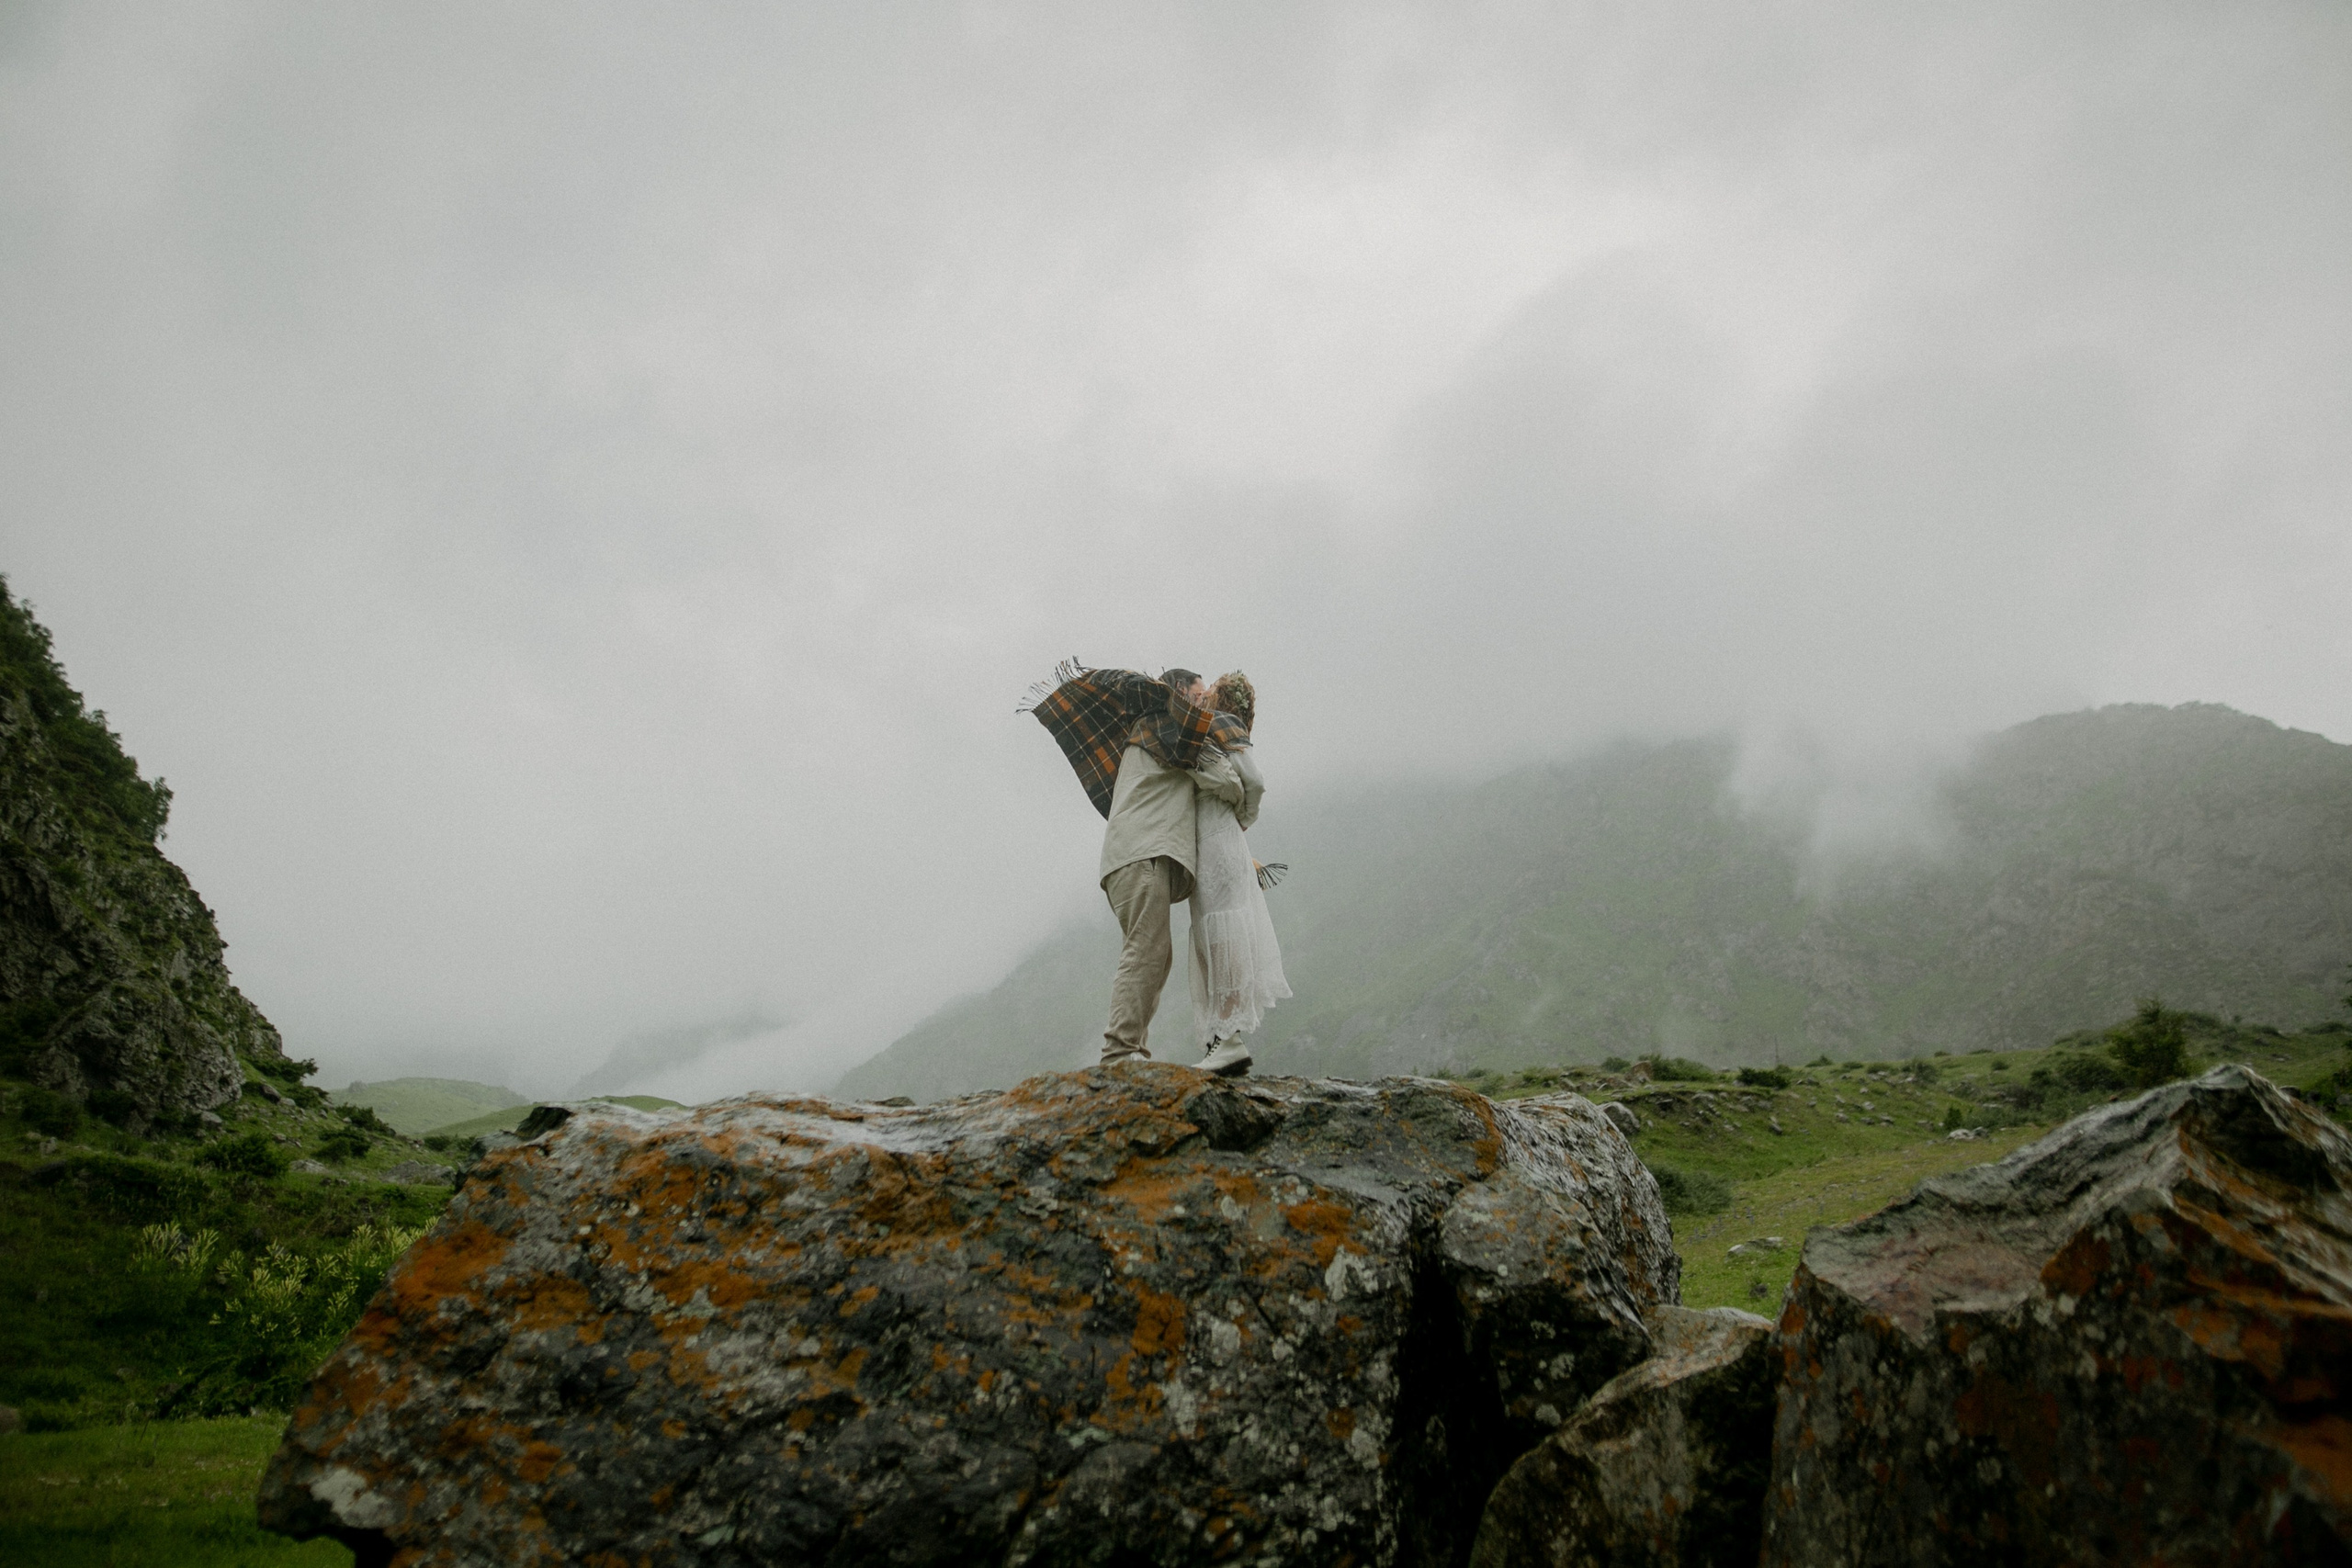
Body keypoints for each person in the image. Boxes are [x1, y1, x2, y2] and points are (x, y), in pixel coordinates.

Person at [1024, 663, 1242, 1064]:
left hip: (1133, 854)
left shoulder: (1151, 730)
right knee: (1146, 951)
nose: (1203, 705)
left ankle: (1130, 1049)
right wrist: (1243, 794)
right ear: (1179, 691)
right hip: (1143, 853)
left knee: (1155, 953)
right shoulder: (1167, 726)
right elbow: (1226, 781)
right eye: (1198, 695)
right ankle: (1120, 1052)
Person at [1184, 671, 1289, 1077]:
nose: (1205, 694)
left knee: (1223, 934)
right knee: (1212, 936)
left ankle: (1229, 1038)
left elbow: (1255, 782)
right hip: (1209, 844)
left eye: (1211, 690)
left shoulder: (1223, 724)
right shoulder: (1209, 732)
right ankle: (1221, 1035)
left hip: (1220, 842)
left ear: (1223, 697)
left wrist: (1243, 818)